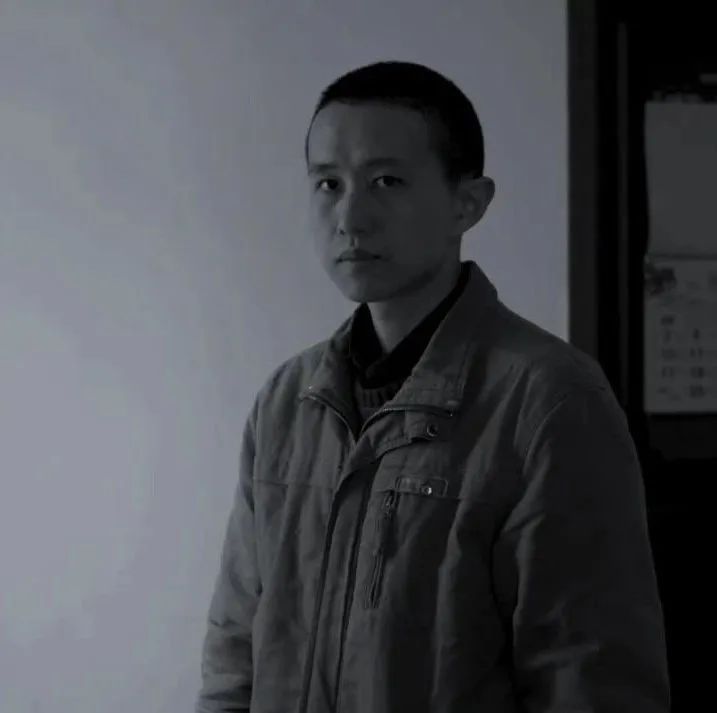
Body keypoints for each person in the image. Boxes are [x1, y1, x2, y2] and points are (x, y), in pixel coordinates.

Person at [195, 60, 671, 713]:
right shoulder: (287, 402)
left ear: (466, 203)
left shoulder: (548, 399)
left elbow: (588, 678)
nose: (350, 216)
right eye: (328, 183)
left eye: (386, 181)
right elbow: (234, 653)